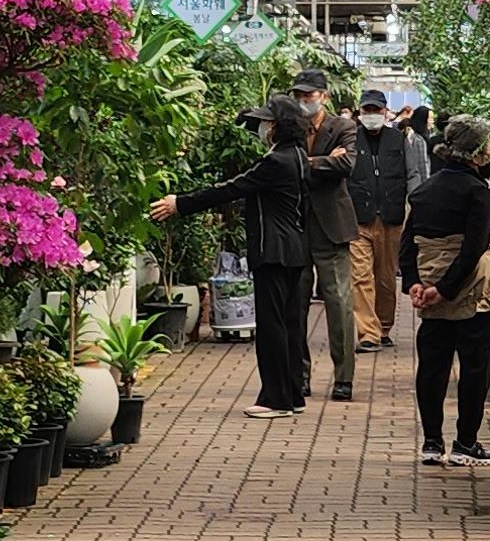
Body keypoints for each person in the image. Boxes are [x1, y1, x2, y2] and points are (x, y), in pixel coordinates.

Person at [151, 96, 316, 412]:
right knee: (290, 324)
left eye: (266, 122)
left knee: (271, 325)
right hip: (294, 249)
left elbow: (229, 189)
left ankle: (276, 399)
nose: (262, 128)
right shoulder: (298, 156)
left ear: (278, 126)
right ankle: (293, 395)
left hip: (272, 250)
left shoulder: (275, 162)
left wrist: (180, 203)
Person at [404, 112, 490, 467]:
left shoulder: (424, 191)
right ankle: (466, 443)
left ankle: (432, 442)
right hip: (471, 293)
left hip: (430, 287)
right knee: (475, 367)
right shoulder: (477, 193)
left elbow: (408, 243)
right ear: (478, 153)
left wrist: (416, 284)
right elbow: (474, 248)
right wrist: (447, 290)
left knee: (432, 367)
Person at [291, 71, 358, 402]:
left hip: (331, 227)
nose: (304, 100)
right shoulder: (290, 126)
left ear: (324, 96)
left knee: (339, 302)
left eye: (310, 94)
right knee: (295, 304)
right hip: (295, 225)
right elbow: (283, 165)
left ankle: (343, 378)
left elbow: (347, 165)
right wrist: (323, 161)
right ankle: (298, 375)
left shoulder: (343, 126)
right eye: (299, 95)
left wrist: (306, 163)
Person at [348, 88, 417, 348]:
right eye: (367, 110)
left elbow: (413, 174)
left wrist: (415, 206)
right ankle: (368, 333)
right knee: (360, 277)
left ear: (385, 111)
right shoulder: (350, 140)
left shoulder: (399, 139)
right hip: (358, 218)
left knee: (386, 278)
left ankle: (383, 326)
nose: (372, 114)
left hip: (391, 218)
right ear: (360, 112)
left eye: (376, 109)